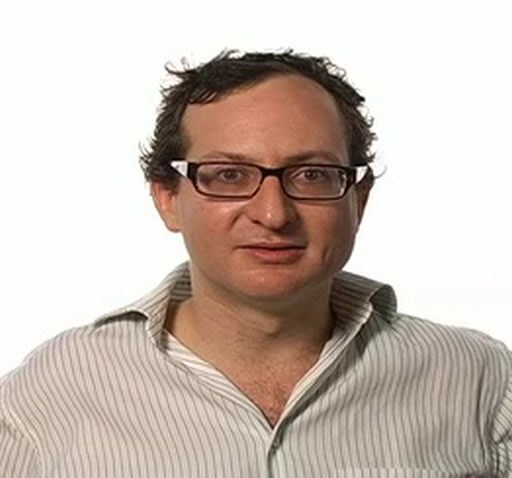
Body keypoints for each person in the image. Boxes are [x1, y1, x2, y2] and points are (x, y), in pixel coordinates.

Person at [1, 50, 510, 477]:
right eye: (228, 175)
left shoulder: (480, 380)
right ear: (168, 199)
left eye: (311, 174)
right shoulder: (49, 394)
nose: (273, 214)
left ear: (358, 199)